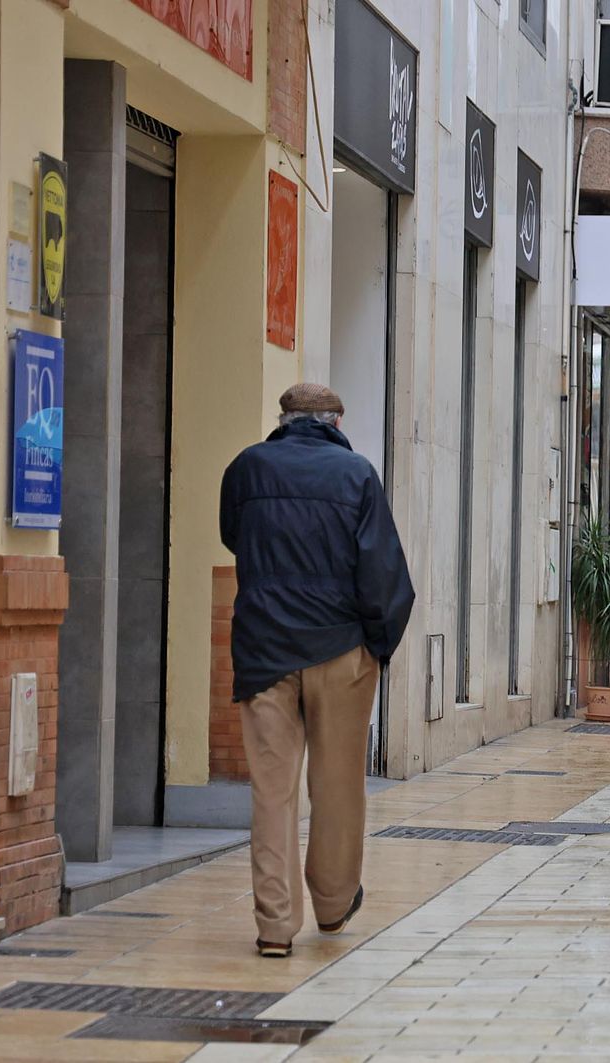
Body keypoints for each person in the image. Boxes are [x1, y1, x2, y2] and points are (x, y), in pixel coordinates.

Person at [219, 383, 415, 959]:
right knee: (337, 786)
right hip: (340, 649)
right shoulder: (355, 474)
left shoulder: (246, 468)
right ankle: (332, 905)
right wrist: (377, 646)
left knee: (272, 792)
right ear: (335, 419)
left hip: (263, 649)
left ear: (283, 418)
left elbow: (234, 538)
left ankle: (274, 926)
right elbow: (382, 570)